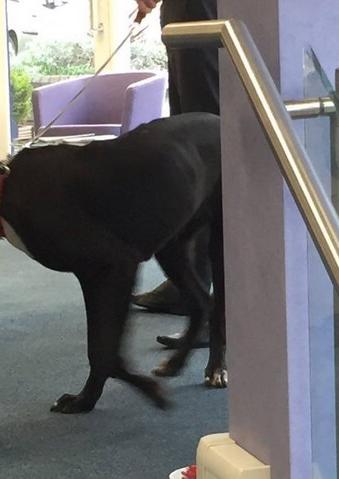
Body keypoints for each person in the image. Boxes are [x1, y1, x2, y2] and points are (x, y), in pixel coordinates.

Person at [132, 0, 220, 348]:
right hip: (184, 9)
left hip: (202, 7)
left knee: (206, 138)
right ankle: (189, 283)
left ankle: (218, 312)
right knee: (188, 129)